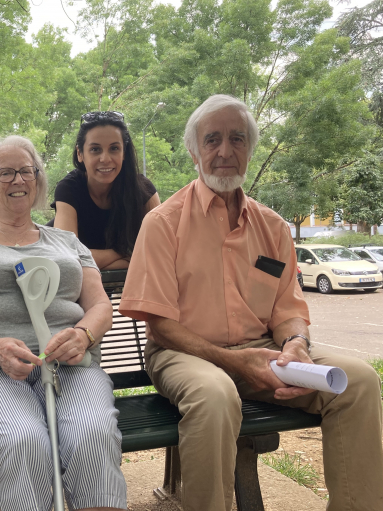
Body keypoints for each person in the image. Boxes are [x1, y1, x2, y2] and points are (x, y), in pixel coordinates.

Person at [119, 95, 383, 511]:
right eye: (212, 140)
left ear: (250, 149)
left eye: (237, 138)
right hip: (184, 353)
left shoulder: (273, 226)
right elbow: (160, 327)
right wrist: (234, 362)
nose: (225, 151)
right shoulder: (163, 223)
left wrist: (295, 344)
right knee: (214, 394)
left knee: (358, 381)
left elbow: (288, 310)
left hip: (263, 352)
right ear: (194, 152)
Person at [0, 135, 127, 511]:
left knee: (93, 436)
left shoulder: (69, 243)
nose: (18, 180)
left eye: (27, 171)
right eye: (4, 173)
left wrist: (83, 335)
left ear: (38, 181)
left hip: (69, 366)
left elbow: (100, 304)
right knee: (24, 441)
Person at [49, 111, 160, 269]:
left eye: (114, 148)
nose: (105, 159)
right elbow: (68, 257)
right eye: (95, 149)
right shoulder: (68, 189)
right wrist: (124, 253)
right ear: (80, 153)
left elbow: (159, 252)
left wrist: (97, 261)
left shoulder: (144, 191)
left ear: (124, 152)